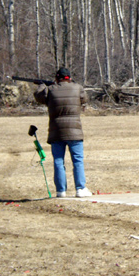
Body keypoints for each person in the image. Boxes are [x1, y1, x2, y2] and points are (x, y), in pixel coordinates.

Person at [34, 67, 92, 198]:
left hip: (56, 131)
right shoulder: (77, 88)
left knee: (58, 161)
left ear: (57, 78)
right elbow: (84, 99)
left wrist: (42, 85)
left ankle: (61, 190)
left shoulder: (50, 90)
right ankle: (80, 188)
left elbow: (39, 97)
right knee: (77, 160)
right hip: (75, 130)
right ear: (69, 78)